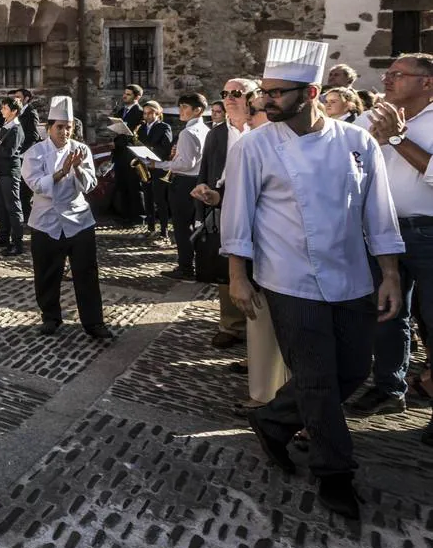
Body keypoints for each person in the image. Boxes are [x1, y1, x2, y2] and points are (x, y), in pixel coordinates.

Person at [223, 39, 404, 519]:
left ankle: (272, 418)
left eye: (279, 93)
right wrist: (237, 277)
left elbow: (378, 213)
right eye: (265, 91)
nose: (266, 101)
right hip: (288, 276)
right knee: (318, 379)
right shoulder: (256, 146)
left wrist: (389, 274)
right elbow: (237, 216)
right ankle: (335, 473)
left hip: (350, 274)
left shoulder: (357, 141)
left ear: (313, 92)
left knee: (353, 369)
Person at [347, 53, 433, 431]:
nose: (387, 80)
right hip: (381, 230)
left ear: (426, 82)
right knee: (386, 313)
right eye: (387, 73)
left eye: (398, 74)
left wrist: (397, 138)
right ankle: (389, 387)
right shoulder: (371, 118)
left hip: (427, 233)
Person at [22, 96, 112, 340]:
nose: (64, 132)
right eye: (59, 127)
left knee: (86, 273)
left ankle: (94, 322)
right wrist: (61, 172)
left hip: (78, 219)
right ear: (49, 127)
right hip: (45, 220)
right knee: (46, 273)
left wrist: (80, 168)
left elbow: (90, 184)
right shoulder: (35, 153)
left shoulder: (81, 150)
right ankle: (50, 316)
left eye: (68, 127)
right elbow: (35, 184)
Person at [191, 79, 259, 351]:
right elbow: (205, 170)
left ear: (252, 98)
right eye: (225, 94)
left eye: (237, 93)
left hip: (261, 212)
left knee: (258, 273)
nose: (230, 98)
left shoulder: (262, 130)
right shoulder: (217, 133)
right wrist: (202, 204)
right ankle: (231, 325)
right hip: (223, 207)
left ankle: (260, 333)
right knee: (227, 267)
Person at [147, 94, 209, 280]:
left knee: (182, 228)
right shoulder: (205, 129)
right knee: (194, 226)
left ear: (197, 110)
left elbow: (185, 164)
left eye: (184, 107)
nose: (180, 110)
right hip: (198, 181)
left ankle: (186, 268)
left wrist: (158, 165)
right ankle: (197, 265)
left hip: (184, 183)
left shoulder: (187, 132)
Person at [134, 101, 173, 244]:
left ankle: (164, 232)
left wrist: (149, 151)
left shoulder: (164, 127)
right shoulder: (142, 128)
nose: (147, 116)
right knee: (148, 199)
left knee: (160, 200)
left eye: (150, 113)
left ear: (158, 113)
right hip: (145, 167)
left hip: (158, 167)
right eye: (145, 113)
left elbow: (166, 149)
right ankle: (151, 228)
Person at [0, 95, 25, 257]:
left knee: (13, 208)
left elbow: (10, 152)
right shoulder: (6, 125)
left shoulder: (16, 129)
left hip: (10, 172)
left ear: (14, 111)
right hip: (0, 172)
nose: (1, 110)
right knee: (2, 207)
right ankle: (4, 236)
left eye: (5, 108)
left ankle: (17, 242)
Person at [112, 85, 145, 226]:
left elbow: (137, 134)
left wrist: (122, 139)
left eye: (128, 94)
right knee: (122, 185)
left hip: (131, 154)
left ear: (137, 97)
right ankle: (125, 216)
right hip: (119, 154)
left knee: (134, 186)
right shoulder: (121, 111)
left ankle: (138, 217)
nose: (124, 96)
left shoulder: (140, 112)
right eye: (125, 93)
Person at [9, 89, 42, 220]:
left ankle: (28, 215)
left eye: (18, 97)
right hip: (17, 153)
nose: (15, 99)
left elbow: (33, 135)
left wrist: (21, 152)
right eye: (14, 97)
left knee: (25, 187)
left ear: (27, 98)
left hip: (25, 154)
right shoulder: (17, 111)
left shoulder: (31, 112)